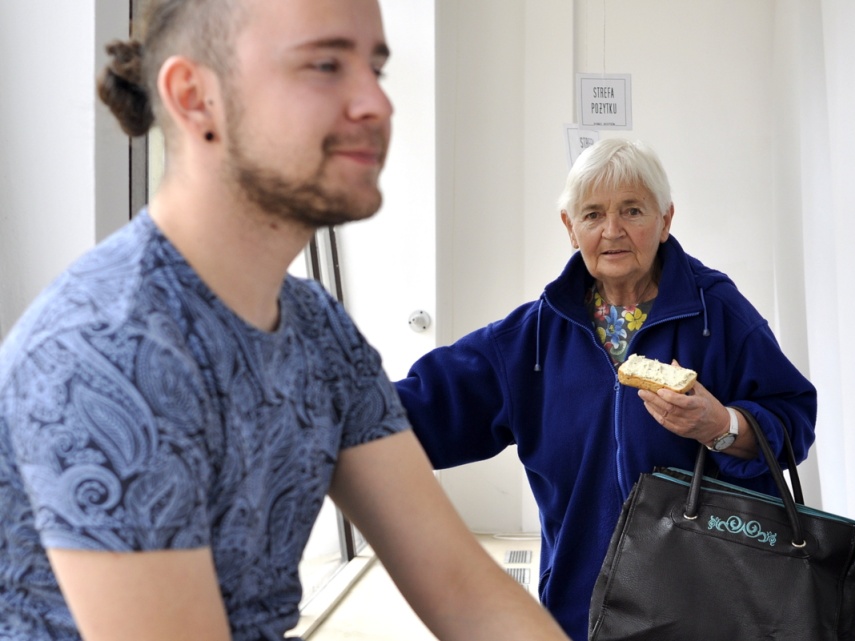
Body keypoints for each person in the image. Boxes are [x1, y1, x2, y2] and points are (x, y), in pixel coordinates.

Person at [0, 1, 572, 640]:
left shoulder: (315, 327)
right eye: (325, 65)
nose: (377, 106)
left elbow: (465, 594)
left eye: (375, 70)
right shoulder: (109, 349)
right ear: (195, 98)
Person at [395, 138, 818, 640]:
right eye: (592, 214)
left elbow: (793, 418)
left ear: (665, 220)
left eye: (632, 210)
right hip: (585, 603)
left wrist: (722, 426)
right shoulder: (532, 339)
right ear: (570, 229)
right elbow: (428, 405)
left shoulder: (717, 314)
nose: (612, 231)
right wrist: (319, 413)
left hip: (709, 601)